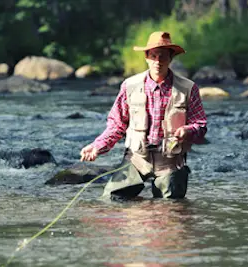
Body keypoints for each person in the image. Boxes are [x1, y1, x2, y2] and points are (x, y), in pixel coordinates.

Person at [80, 31, 207, 200]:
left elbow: (200, 124)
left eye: (162, 56)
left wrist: (188, 130)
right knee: (111, 201)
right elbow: (117, 125)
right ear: (146, 57)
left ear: (171, 58)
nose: (158, 61)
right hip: (136, 158)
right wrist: (97, 146)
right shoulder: (129, 86)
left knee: (172, 210)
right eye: (153, 56)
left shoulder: (188, 88)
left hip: (170, 161)